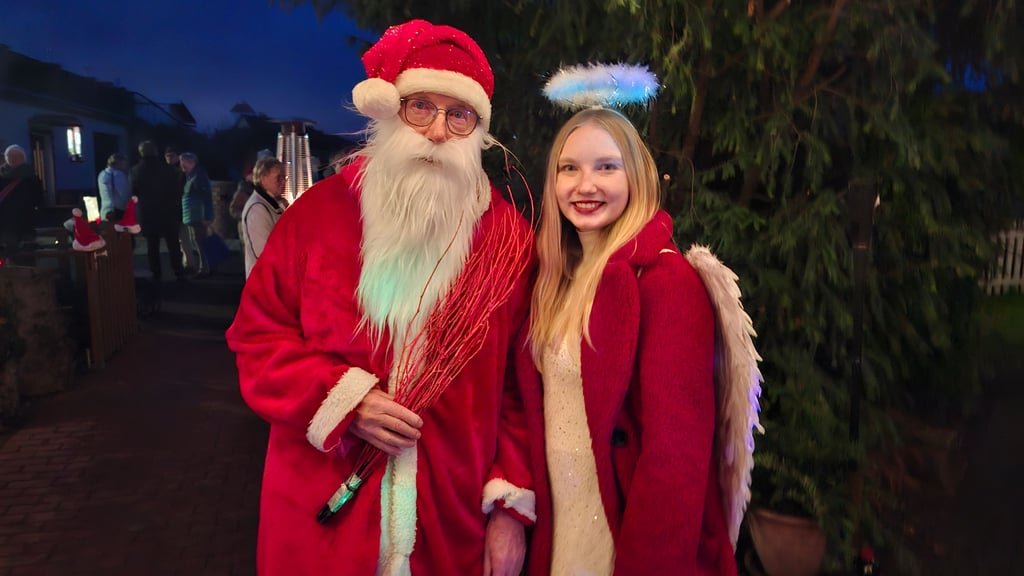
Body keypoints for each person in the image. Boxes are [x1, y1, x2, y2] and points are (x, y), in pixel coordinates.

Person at [225, 19, 535, 576]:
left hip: (452, 521)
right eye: (421, 107)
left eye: (458, 115)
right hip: (322, 515)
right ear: (392, 111)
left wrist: (509, 508)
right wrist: (346, 402)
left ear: (478, 131)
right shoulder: (316, 218)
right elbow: (256, 339)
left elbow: (523, 385)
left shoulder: (509, 240)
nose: (438, 130)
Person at [520, 107, 738, 575]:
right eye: (569, 168)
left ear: (635, 176)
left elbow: (674, 460)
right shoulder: (555, 277)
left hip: (625, 541)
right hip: (563, 531)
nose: (585, 185)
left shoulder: (666, 281)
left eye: (606, 166)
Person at [130, 141, 186, 282]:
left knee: (152, 246)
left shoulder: (135, 171)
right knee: (173, 244)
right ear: (155, 151)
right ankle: (178, 271)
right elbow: (178, 190)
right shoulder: (167, 169)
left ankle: (156, 273)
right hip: (168, 211)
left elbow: (133, 193)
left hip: (148, 212)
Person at [239, 156, 286, 278]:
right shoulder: (257, 208)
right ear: (263, 179)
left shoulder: (273, 203)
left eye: (284, 177)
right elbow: (263, 251)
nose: (283, 182)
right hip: (264, 280)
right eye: (278, 178)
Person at [0, 144, 44, 261]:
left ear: (23, 158)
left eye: (17, 156)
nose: (13, 159)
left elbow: (39, 201)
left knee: (25, 259)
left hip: (25, 225)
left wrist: (35, 217)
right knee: (5, 260)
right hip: (3, 225)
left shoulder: (31, 179)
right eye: (10, 156)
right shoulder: (1, 177)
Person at [179, 152, 213, 278]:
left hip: (198, 216)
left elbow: (206, 197)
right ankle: (204, 267)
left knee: (200, 241)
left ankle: (204, 268)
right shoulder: (191, 176)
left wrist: (207, 216)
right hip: (193, 216)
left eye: (184, 162)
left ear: (191, 162)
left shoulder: (198, 177)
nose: (182, 165)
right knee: (197, 241)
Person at [97, 152, 130, 222]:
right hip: (118, 213)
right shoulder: (119, 175)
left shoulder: (102, 174)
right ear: (119, 163)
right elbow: (124, 194)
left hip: (105, 211)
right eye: (124, 163)